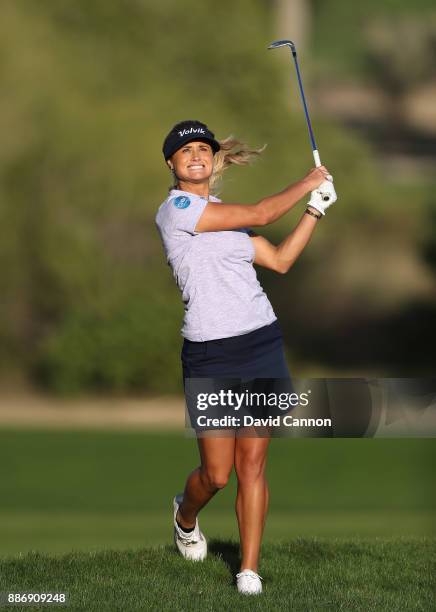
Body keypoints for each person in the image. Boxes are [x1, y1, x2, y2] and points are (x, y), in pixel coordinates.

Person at [155, 119, 336, 596]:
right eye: (185, 150)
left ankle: (248, 570)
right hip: (210, 355)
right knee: (216, 474)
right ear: (172, 164)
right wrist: (307, 182)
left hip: (260, 342)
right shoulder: (176, 210)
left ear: (213, 160)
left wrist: (314, 211)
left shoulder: (227, 217)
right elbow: (262, 208)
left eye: (203, 149)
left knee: (252, 465)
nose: (195, 155)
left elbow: (278, 260)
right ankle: (185, 514)